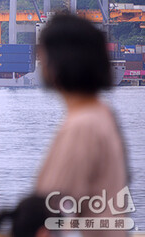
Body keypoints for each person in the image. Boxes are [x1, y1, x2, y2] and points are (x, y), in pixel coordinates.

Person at [36, 13, 129, 237]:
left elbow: (41, 214)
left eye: (42, 56)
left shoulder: (82, 127)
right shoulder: (103, 115)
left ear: (56, 65)